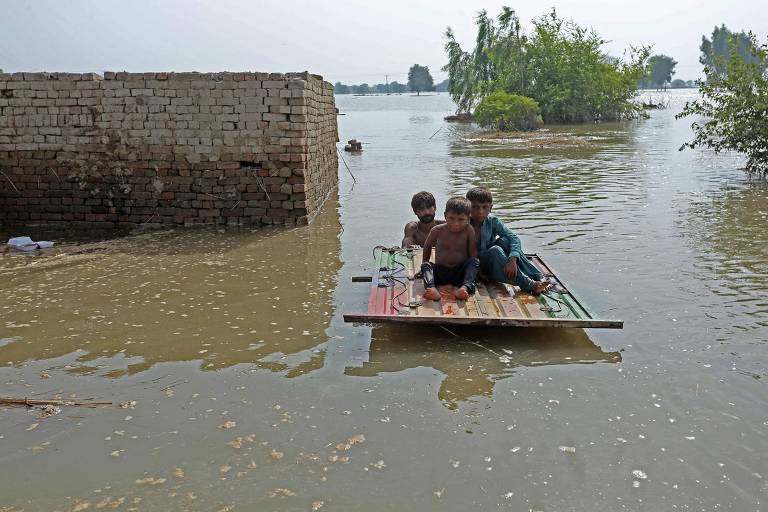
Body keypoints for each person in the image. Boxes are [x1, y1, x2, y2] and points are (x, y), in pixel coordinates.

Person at [466, 186, 551, 295]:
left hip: (493, 261)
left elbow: (513, 238)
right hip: (478, 266)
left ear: (490, 208)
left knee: (506, 241)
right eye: (475, 207)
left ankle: (538, 276)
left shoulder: (492, 221)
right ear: (468, 207)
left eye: (484, 207)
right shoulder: (463, 223)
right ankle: (531, 285)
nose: (480, 211)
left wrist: (512, 259)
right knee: (495, 249)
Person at [421, 197, 479, 301]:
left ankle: (464, 288)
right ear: (445, 216)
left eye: (461, 219)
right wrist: (423, 265)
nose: (455, 223)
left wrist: (474, 273)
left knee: (474, 261)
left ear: (468, 219)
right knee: (426, 265)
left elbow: (472, 253)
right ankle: (432, 289)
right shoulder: (437, 230)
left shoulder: (469, 230)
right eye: (451, 218)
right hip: (440, 272)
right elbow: (427, 246)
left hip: (460, 273)